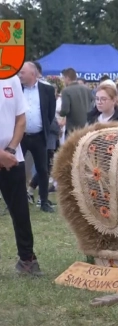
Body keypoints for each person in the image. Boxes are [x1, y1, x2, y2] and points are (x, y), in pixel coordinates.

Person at [0, 75, 43, 275]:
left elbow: (21, 119)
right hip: (6, 157)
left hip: (13, 157)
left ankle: (27, 259)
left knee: (20, 212)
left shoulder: (12, 78)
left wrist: (9, 150)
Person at [18, 62, 56, 213]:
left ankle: (44, 201)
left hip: (39, 136)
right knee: (16, 169)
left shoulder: (47, 89)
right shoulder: (17, 89)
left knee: (42, 169)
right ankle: (17, 201)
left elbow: (50, 113)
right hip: (20, 136)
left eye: (23, 72)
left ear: (32, 74)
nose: (20, 75)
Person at [59, 67, 94, 138]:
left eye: (63, 78)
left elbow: (65, 110)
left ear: (67, 78)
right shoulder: (87, 89)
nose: (63, 81)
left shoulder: (66, 91)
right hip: (86, 126)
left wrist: (59, 113)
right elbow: (93, 102)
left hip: (72, 128)